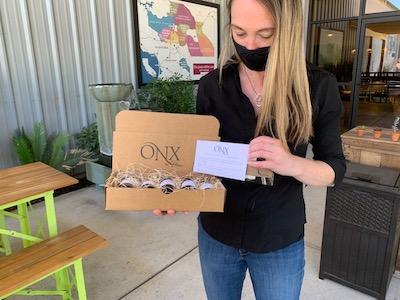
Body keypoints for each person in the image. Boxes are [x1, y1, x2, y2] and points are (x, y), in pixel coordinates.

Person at [154, 0, 346, 299]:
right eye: (239, 32)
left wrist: (291, 163)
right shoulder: (212, 86)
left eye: (265, 34)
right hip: (217, 232)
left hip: (278, 239)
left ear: (288, 31)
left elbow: (334, 171)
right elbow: (201, 161)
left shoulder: (317, 87)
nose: (250, 44)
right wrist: (178, 191)